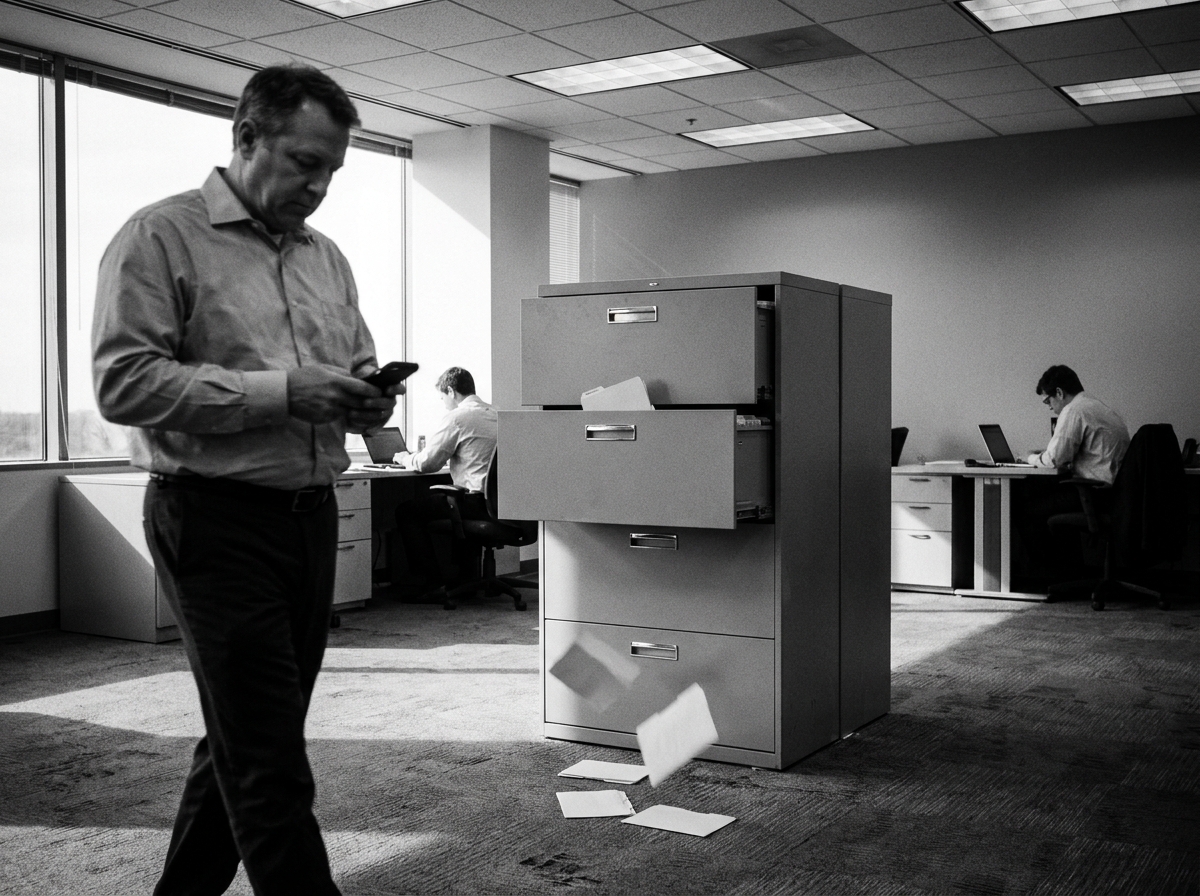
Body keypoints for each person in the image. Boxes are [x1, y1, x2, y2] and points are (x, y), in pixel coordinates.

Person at [92, 65, 399, 896]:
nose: (320, 185)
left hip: (307, 517)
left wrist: (366, 395)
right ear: (246, 138)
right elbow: (123, 385)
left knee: (246, 734)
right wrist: (282, 391)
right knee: (269, 759)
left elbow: (351, 359)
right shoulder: (160, 236)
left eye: (333, 168)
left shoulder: (325, 257)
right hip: (212, 517)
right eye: (305, 162)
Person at [1017, 365, 1131, 587]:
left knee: (1024, 508)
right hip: (1114, 494)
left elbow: (1053, 460)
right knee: (1043, 495)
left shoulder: (1074, 410)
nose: (1049, 407)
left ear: (1059, 393)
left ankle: (1048, 575)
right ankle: (1071, 572)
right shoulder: (1099, 407)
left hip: (1094, 493)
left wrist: (1029, 458)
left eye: (1047, 400)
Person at [393, 367, 497, 588]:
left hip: (474, 502)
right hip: (498, 503)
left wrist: (404, 458)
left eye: (442, 398)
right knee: (449, 499)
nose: (443, 403)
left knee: (407, 511)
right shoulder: (496, 415)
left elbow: (426, 463)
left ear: (451, 391)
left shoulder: (457, 417)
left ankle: (429, 583)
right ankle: (464, 578)